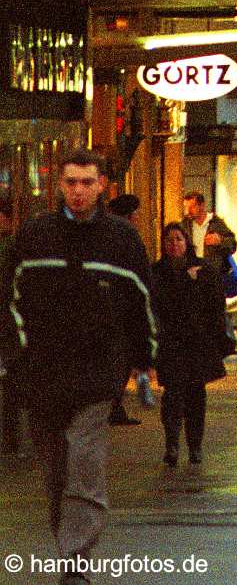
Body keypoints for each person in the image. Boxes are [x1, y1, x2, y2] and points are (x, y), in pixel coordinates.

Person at [0, 149, 155, 585]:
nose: (79, 191)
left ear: (102, 185)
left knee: (84, 462)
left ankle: (75, 560)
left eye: (87, 182)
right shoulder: (34, 236)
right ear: (59, 186)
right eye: (71, 182)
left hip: (97, 374)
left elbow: (141, 302)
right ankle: (68, 547)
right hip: (42, 374)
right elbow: (9, 301)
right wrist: (18, 357)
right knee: (55, 470)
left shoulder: (121, 239)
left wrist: (143, 360)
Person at [151, 222, 231, 466]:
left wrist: (218, 339)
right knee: (173, 395)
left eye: (178, 239)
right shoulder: (157, 272)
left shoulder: (203, 269)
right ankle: (172, 444)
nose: (174, 244)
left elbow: (215, 306)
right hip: (171, 343)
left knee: (196, 395)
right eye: (169, 240)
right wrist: (186, 281)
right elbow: (161, 303)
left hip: (198, 343)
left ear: (187, 243)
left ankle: (195, 446)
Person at [106, 193, 154, 422]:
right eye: (135, 213)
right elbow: (139, 272)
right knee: (121, 358)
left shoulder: (107, 233)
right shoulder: (127, 236)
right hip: (123, 307)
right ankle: (113, 405)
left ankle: (114, 405)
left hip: (111, 306)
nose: (138, 216)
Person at [0, 197, 22, 456]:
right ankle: (10, 440)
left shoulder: (12, 246)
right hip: (9, 321)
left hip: (8, 321)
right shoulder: (14, 247)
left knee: (11, 382)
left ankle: (10, 439)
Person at [182, 191, 237, 276]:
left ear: (202, 205)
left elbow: (233, 245)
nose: (188, 211)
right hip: (191, 275)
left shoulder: (216, 223)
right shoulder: (185, 225)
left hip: (213, 276)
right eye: (186, 207)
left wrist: (220, 241)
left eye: (192, 207)